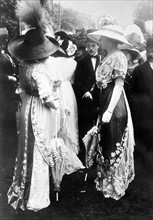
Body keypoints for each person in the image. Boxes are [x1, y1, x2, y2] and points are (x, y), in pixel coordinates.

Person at [7, 1, 84, 212]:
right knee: (39, 148)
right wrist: (59, 106)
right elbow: (47, 98)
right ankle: (36, 195)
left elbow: (22, 90)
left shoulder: (24, 65)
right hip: (39, 110)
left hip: (26, 108)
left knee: (27, 147)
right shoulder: (39, 70)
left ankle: (23, 187)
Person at [88, 16, 135, 200]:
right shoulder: (107, 56)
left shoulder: (119, 57)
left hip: (114, 104)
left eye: (103, 38)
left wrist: (108, 110)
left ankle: (114, 183)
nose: (100, 41)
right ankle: (105, 181)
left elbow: (118, 85)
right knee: (105, 139)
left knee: (113, 139)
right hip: (104, 100)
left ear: (109, 39)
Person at [73, 29, 101, 165]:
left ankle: (96, 157)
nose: (90, 48)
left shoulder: (103, 60)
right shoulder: (81, 61)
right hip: (85, 100)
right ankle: (84, 157)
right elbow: (77, 81)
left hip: (99, 100)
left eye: (93, 46)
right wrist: (85, 92)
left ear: (98, 46)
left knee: (98, 127)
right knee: (85, 127)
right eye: (88, 46)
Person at [130, 36, 153, 153]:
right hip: (144, 116)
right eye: (149, 49)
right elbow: (133, 94)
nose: (151, 53)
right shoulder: (139, 70)